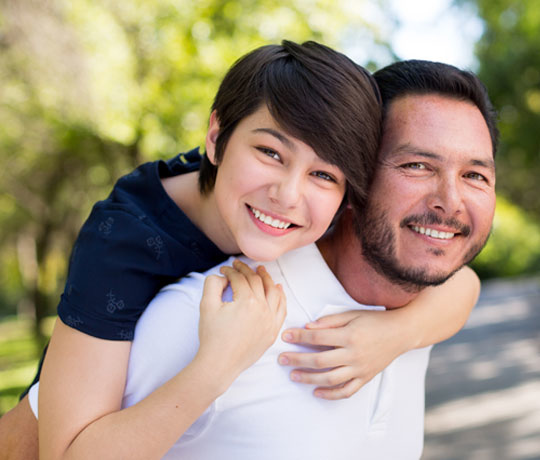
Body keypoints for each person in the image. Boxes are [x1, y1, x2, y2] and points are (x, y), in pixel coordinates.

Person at [0, 43, 478, 458]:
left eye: (324, 174)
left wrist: (395, 333)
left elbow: (462, 282)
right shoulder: (121, 244)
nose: (289, 195)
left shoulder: (326, 214)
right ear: (216, 137)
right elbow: (60, 450)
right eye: (271, 153)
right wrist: (217, 366)